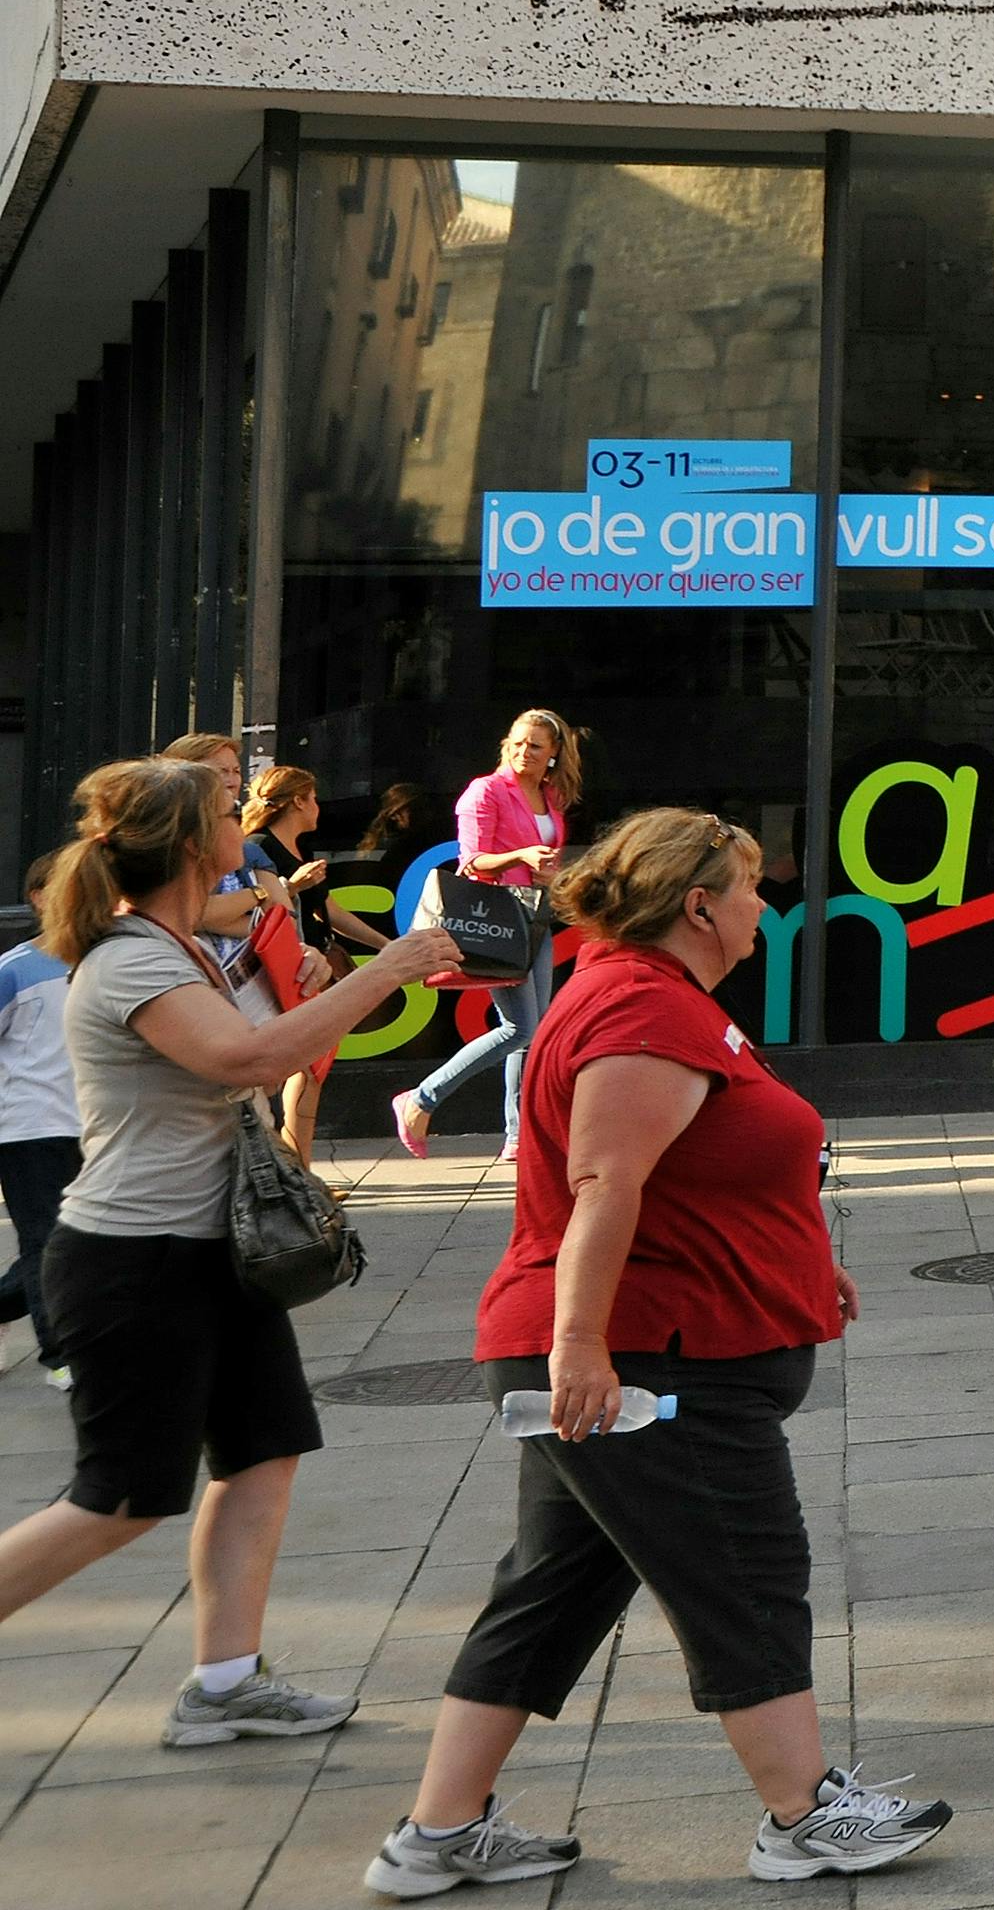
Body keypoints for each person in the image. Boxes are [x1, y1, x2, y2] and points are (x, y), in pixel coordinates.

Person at [370, 809, 945, 1896]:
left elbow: (703, 1167)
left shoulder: (657, 999)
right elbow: (606, 1183)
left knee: (549, 1592)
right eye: (750, 888)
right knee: (742, 1569)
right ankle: (803, 1816)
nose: (763, 907)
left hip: (635, 1347)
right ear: (699, 906)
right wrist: (579, 1345)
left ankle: (436, 1836)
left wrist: (800, 1262)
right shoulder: (640, 1006)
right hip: (646, 1360)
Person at [0, 757, 463, 1742]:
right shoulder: (133, 959)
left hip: (211, 1252)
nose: (237, 826)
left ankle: (224, 1686)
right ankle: (222, 1684)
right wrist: (384, 969)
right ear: (185, 843)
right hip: (133, 1259)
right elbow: (248, 1060)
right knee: (120, 1498)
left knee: (262, 1453)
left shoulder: (190, 946)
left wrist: (322, 981)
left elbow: (273, 1039)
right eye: (222, 812)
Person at [393, 710, 583, 1161]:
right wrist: (521, 854)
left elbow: (541, 860)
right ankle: (421, 1098)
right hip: (496, 915)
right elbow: (471, 861)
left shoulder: (549, 797)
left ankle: (518, 1136)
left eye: (535, 746)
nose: (524, 752)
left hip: (533, 914)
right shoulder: (485, 791)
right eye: (517, 742)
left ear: (554, 753)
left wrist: (545, 872)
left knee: (531, 1032)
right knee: (521, 1027)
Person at [239, 766, 347, 1154]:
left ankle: (299, 1163)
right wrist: (290, 886)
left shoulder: (300, 847)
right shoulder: (258, 846)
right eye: (313, 797)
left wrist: (387, 946)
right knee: (304, 1066)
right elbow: (256, 907)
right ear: (299, 800)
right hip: (281, 966)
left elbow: (329, 909)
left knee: (312, 1068)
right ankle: (295, 1165)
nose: (318, 807)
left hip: (308, 961)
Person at [0, 859, 70, 1384]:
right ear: (39, 898)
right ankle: (61, 1356)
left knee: (83, 1241)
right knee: (46, 1242)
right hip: (30, 1128)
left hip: (100, 1125)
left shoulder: (108, 958)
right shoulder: (14, 968)